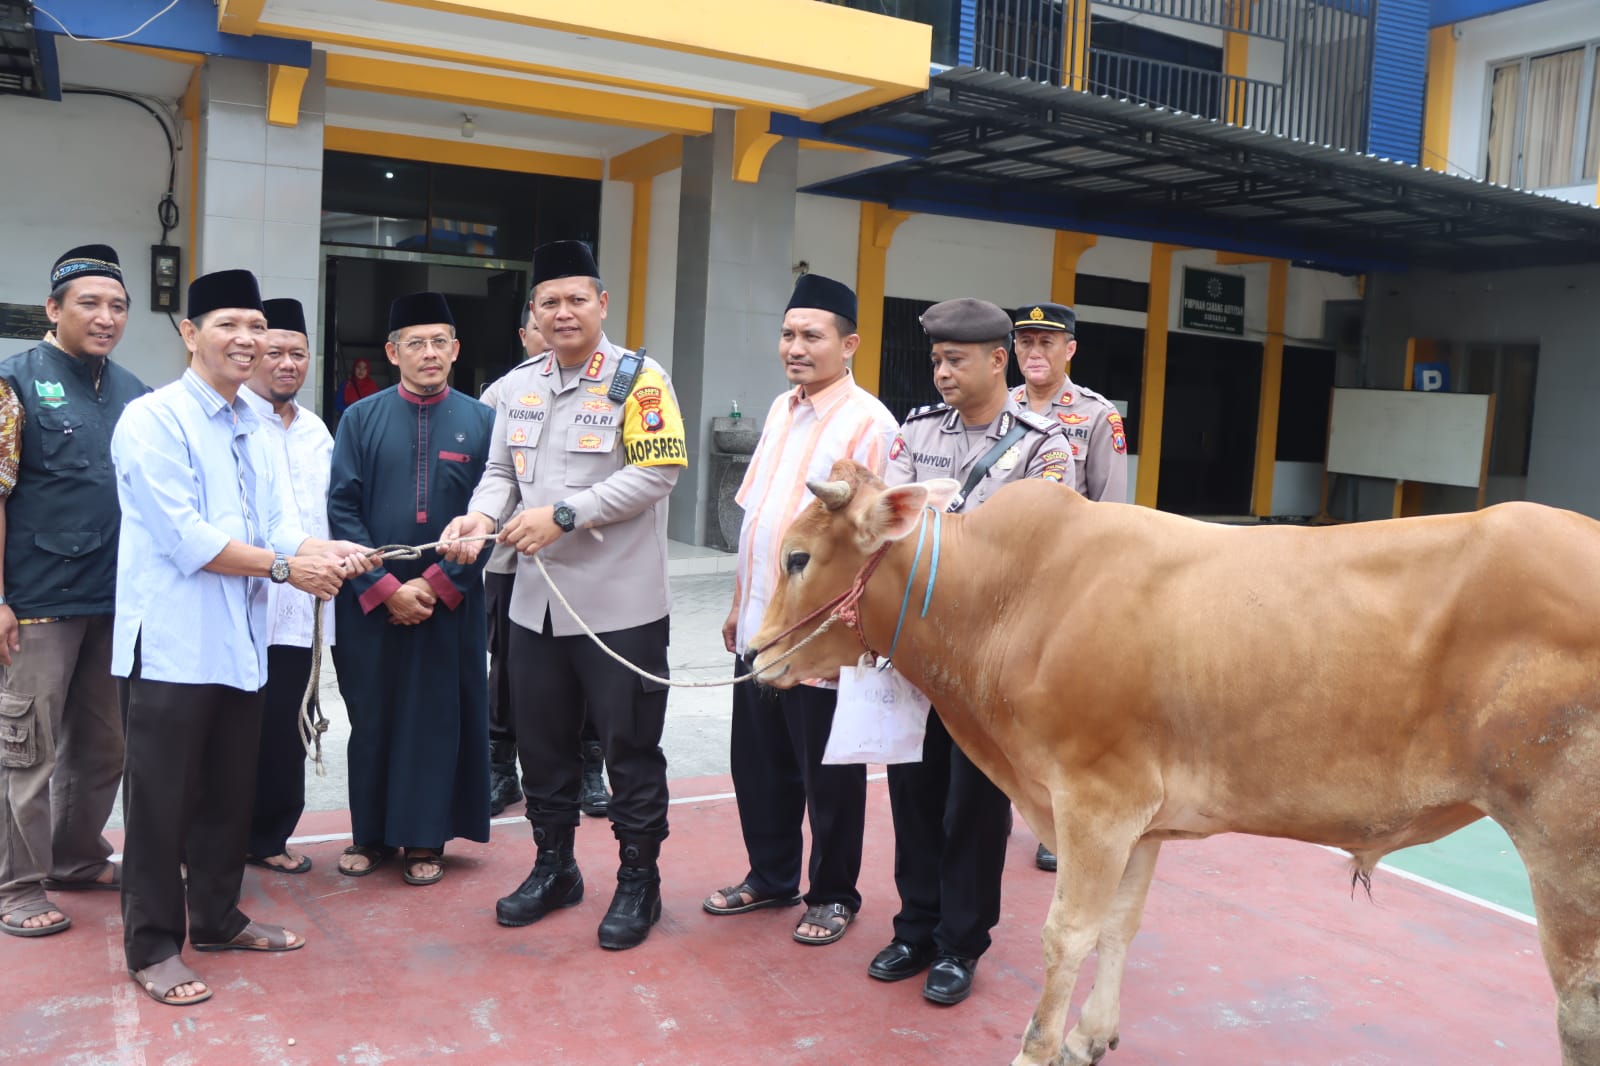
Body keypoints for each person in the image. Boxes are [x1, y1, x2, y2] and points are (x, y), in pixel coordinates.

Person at [112, 268, 373, 1007]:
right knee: (162, 803)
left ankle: (219, 919)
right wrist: (288, 567)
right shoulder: (152, 419)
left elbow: (278, 524)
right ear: (190, 334)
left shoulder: (253, 427)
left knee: (229, 792)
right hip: (171, 644)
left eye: (255, 327)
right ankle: (152, 947)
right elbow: (188, 538)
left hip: (241, 642)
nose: (247, 339)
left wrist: (327, 552)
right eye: (228, 324)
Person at [440, 239, 686, 951]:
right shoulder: (520, 385)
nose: (563, 312)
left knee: (629, 750)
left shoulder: (640, 381)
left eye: (577, 298)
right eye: (549, 301)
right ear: (534, 312)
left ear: (602, 304)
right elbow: (499, 473)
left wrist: (567, 514)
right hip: (534, 606)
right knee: (542, 747)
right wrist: (480, 518)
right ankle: (555, 868)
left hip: (620, 606)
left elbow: (658, 473)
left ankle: (638, 881)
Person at [869, 298, 1070, 1006]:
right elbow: (885, 532)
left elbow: (1033, 553)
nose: (942, 373)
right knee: (913, 797)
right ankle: (915, 927)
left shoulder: (1044, 445)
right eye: (936, 360)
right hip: (918, 654)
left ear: (997, 361)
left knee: (974, 808)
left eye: (955, 360)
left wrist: (943, 533)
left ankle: (960, 943)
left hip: (991, 661)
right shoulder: (914, 432)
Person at [702, 272, 897, 947]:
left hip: (820, 635)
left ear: (850, 344)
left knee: (828, 773)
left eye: (812, 336)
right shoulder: (782, 410)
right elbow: (759, 518)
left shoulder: (870, 424)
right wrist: (740, 604)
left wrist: (855, 635)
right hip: (763, 622)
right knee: (759, 762)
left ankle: (835, 893)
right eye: (788, 334)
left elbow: (876, 546)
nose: (795, 347)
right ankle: (771, 876)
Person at [0, 245, 147, 937]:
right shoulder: (14, 383)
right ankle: (17, 886)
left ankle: (76, 857)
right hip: (36, 603)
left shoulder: (136, 393)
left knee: (104, 746)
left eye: (117, 305)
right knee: (27, 750)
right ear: (53, 309)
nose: (105, 317)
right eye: (89, 303)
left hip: (112, 600)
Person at [327, 292, 495, 888]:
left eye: (439, 342)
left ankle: (426, 838)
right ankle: (370, 835)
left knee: (435, 719)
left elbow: (492, 513)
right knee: (372, 717)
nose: (429, 353)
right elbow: (341, 509)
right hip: (370, 603)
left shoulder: (483, 422)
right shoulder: (359, 419)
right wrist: (384, 586)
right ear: (393, 352)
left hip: (451, 604)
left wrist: (437, 583)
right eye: (416, 343)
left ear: (456, 349)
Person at [1010, 300, 1128, 873]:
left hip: (1064, 591)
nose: (1034, 352)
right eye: (1025, 342)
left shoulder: (1097, 416)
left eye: (1047, 343)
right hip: (1002, 591)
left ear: (1070, 350)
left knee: (1059, 712)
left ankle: (1058, 823)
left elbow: (1111, 513)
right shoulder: (999, 408)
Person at [482, 308, 611, 819]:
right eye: (541, 324)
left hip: (578, 558)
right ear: (526, 332)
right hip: (512, 559)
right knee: (508, 666)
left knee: (587, 662)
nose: (555, 331)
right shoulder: (504, 393)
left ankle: (590, 767)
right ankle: (500, 766)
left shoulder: (613, 384)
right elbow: (493, 475)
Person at [240, 298, 335, 874]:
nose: (286, 363)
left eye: (297, 353)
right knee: (232, 728)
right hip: (245, 600)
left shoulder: (317, 431)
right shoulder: (233, 422)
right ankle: (213, 841)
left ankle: (269, 837)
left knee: (287, 724)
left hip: (302, 608)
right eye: (274, 351)